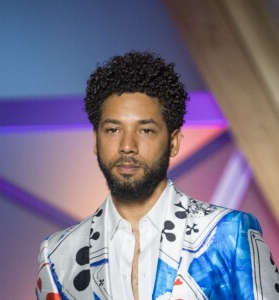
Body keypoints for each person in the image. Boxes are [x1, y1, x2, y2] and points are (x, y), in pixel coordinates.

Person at [36, 51, 279, 300]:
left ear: (173, 142)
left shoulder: (228, 234)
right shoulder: (58, 255)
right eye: (113, 129)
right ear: (96, 141)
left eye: (145, 130)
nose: (127, 145)